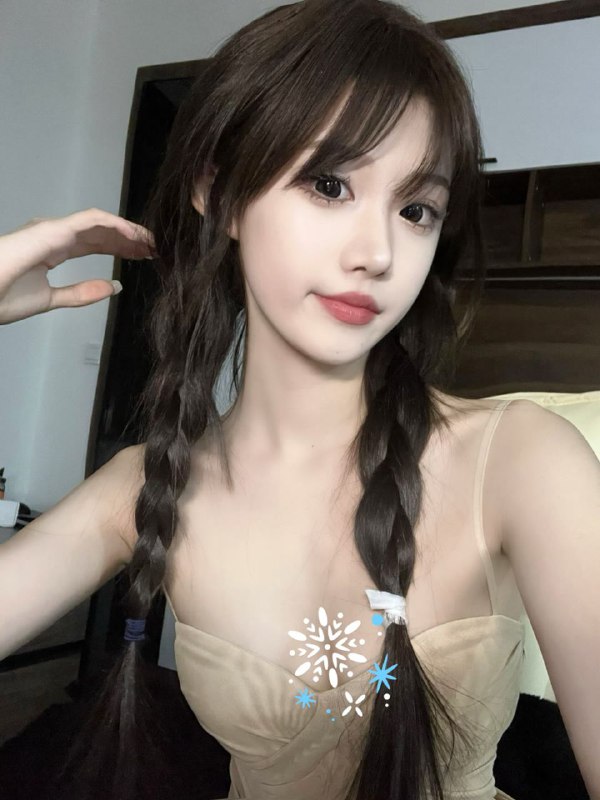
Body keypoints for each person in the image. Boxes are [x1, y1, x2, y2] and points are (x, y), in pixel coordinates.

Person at [1, 1, 599, 799]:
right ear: (220, 192)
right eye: (329, 184)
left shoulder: (523, 459)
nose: (378, 253)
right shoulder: (144, 486)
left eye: (416, 210)